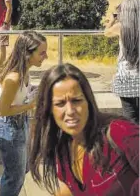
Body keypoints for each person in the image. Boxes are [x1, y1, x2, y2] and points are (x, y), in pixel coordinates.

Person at [29, 63, 139, 196]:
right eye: (60, 103)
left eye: (76, 100)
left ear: (88, 101)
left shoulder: (119, 132)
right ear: (49, 110)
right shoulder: (63, 149)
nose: (70, 111)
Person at [0, 31, 48, 196]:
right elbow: (3, 110)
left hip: (18, 124)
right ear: (27, 53)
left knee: (20, 170)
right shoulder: (15, 77)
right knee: (15, 178)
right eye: (42, 52)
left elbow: (18, 97)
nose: (45, 56)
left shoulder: (24, 71)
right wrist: (31, 105)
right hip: (9, 128)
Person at [105, 0, 139, 123]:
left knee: (130, 117)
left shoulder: (120, 27)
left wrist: (113, 19)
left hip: (126, 79)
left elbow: (106, 33)